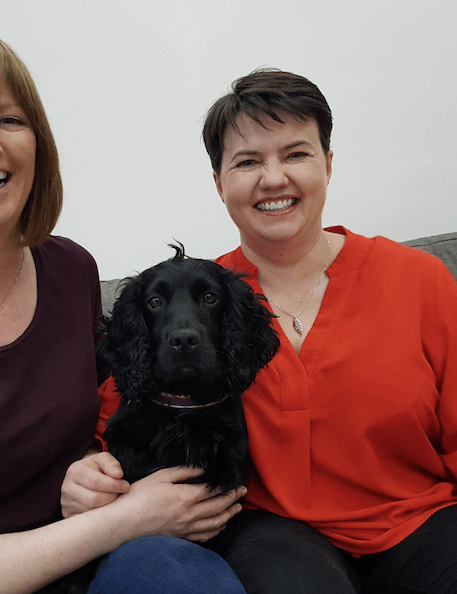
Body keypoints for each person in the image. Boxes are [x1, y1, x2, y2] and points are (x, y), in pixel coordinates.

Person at [0, 25, 248, 594]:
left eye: (10, 119)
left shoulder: (72, 271)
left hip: (98, 566)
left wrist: (95, 476)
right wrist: (122, 519)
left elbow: (104, 416)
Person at [63, 68, 457, 593]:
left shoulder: (420, 279)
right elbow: (116, 416)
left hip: (422, 524)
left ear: (328, 164)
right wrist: (88, 473)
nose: (274, 179)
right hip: (273, 533)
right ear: (220, 182)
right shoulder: (205, 295)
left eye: (296, 154)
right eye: (248, 162)